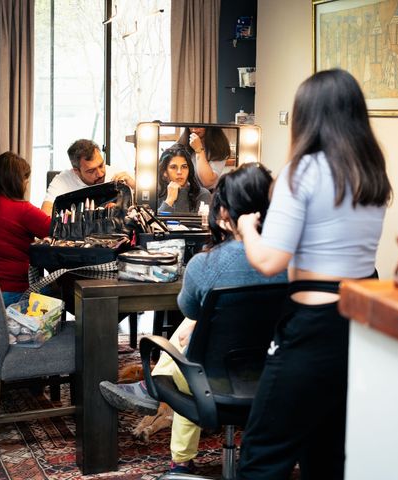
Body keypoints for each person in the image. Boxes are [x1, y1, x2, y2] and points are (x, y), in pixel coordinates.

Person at [235, 69, 393, 479]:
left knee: (263, 453)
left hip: (312, 328)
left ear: (309, 116)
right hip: (361, 326)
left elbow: (270, 261)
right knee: (328, 452)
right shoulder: (371, 174)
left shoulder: (301, 172)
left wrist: (248, 230)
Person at [99, 163, 288, 474]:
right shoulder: (289, 261)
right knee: (193, 342)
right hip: (272, 375)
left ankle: (180, 460)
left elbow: (188, 310)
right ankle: (152, 395)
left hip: (211, 380)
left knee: (190, 351)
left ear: (224, 212)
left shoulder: (205, 265)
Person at [0, 151, 51, 306]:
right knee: (58, 288)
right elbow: (55, 229)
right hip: (14, 291)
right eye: (25, 180)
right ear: (17, 181)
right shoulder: (22, 209)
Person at [41, 139, 135, 214]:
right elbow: (46, 213)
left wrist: (133, 185)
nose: (100, 174)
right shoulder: (62, 180)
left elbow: (146, 201)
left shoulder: (116, 173)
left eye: (101, 165)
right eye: (91, 171)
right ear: (76, 171)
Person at [157, 144, 211, 214]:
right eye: (173, 167)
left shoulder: (202, 194)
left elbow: (202, 224)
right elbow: (151, 223)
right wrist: (169, 200)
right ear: (164, 172)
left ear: (189, 170)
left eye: (184, 167)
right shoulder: (156, 194)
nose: (179, 172)